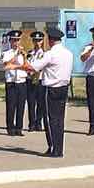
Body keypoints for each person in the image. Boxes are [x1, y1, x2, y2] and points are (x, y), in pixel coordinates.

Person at [29, 26, 72, 157]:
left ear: (50, 40)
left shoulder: (50, 54)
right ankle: (59, 148)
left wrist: (18, 64)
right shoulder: (68, 53)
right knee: (60, 119)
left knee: (50, 119)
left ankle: (53, 148)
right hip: (64, 87)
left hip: (51, 88)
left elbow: (34, 67)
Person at [1, 31, 28, 136]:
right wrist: (16, 55)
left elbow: (26, 67)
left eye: (17, 40)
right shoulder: (7, 53)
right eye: (14, 40)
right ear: (10, 41)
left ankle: (19, 128)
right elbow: (6, 65)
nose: (16, 43)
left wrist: (24, 56)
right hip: (11, 82)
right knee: (11, 106)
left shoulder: (23, 53)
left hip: (21, 81)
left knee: (21, 106)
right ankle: (10, 127)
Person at [26, 31, 47, 131]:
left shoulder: (46, 54)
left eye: (39, 40)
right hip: (30, 80)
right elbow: (27, 65)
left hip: (41, 80)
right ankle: (31, 124)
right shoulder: (30, 53)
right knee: (31, 103)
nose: (37, 42)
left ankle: (39, 122)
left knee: (41, 103)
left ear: (42, 41)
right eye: (35, 40)